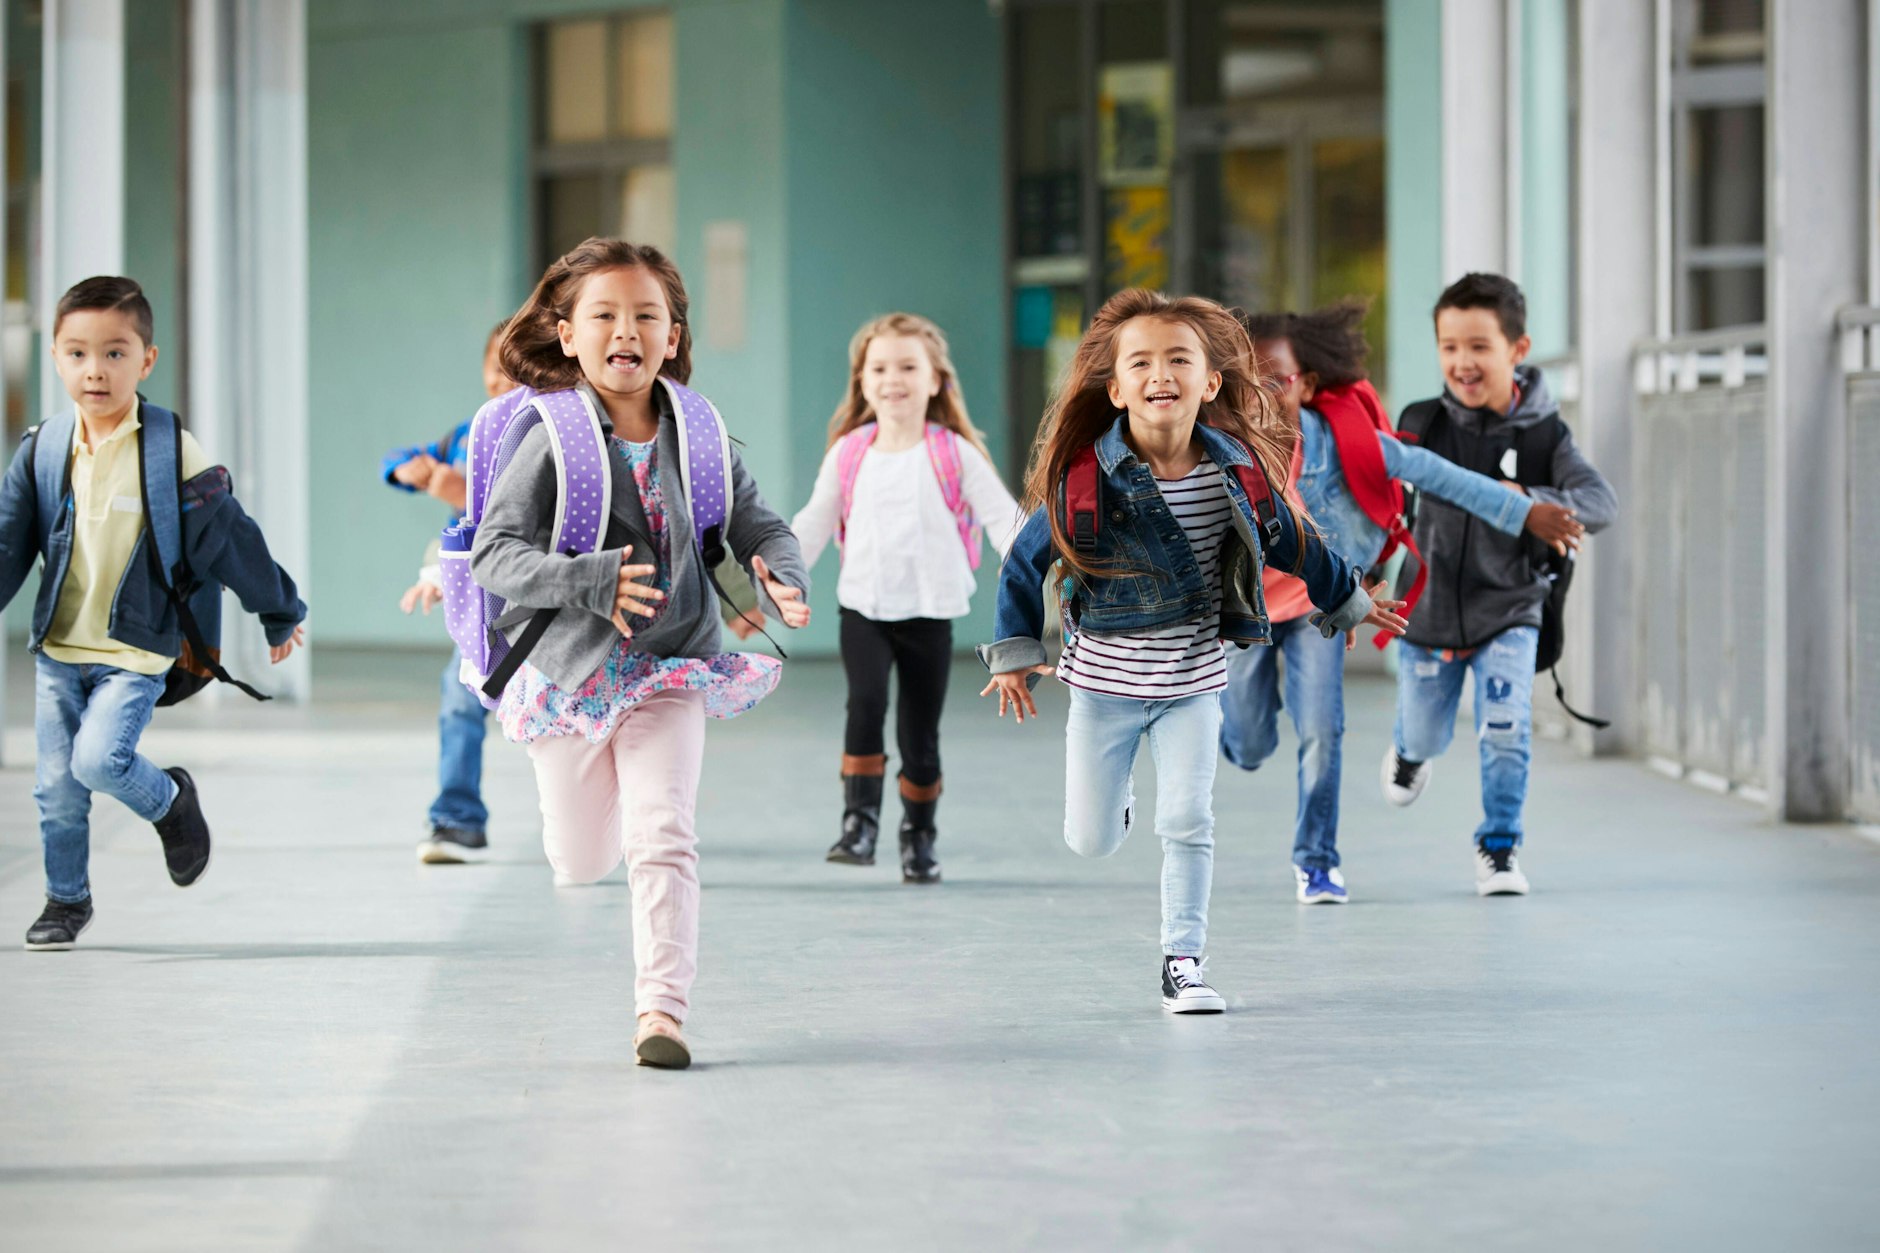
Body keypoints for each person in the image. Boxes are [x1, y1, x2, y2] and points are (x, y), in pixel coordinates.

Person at [979, 288, 1406, 1014]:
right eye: (1140, 361)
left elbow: (1298, 545)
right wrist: (1016, 652)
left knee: (1189, 820)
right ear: (1115, 388)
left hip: (1192, 682)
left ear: (1209, 382)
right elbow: (1024, 564)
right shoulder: (1085, 478)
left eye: (1179, 358)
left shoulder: (1235, 474)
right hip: (1104, 690)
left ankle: (1184, 960)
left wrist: (1351, 601)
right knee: (1090, 839)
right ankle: (1116, 803)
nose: (1160, 373)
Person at [471, 238, 810, 1068]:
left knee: (665, 834)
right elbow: (495, 553)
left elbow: (755, 520)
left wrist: (780, 569)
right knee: (581, 859)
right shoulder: (551, 436)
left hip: (672, 661)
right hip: (570, 671)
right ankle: (612, 807)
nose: (627, 329)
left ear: (672, 334)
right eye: (605, 315)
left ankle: (661, 1012)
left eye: (646, 315)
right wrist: (587, 580)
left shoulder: (698, 429)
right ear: (566, 333)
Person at [1221, 302, 1585, 904]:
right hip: (1244, 612)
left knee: (1322, 729)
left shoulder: (1346, 444)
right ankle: (1241, 734)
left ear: (1306, 385)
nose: (1257, 397)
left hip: (1322, 607)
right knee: (1250, 744)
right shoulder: (1213, 450)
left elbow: (1439, 474)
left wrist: (1526, 512)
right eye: (1241, 384)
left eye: (1275, 380)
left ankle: (1317, 860)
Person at [0, 276, 307, 950]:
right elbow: (6, 541)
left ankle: (170, 801)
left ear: (148, 359)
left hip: (135, 652)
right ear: (55, 357)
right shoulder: (44, 450)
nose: (95, 370)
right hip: (59, 649)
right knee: (56, 790)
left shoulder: (169, 452)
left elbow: (229, 536)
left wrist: (278, 610)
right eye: (78, 353)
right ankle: (66, 901)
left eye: (115, 352)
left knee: (99, 762)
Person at [1381, 273, 1616, 896]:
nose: (1463, 361)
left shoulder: (1544, 435)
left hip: (1511, 607)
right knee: (1426, 732)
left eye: (1480, 346)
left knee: (1507, 728)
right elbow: (1381, 501)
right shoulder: (1420, 422)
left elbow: (1599, 501)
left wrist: (1530, 499)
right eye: (1449, 346)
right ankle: (1409, 749)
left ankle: (1500, 848)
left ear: (1518, 349)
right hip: (1424, 613)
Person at [792, 313, 1021, 883]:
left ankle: (919, 836)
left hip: (929, 614)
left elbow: (1005, 523)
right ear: (862, 381)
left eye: (908, 367)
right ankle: (859, 823)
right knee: (864, 706)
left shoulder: (954, 453)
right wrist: (775, 575)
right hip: (863, 610)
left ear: (936, 379)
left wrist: (1056, 564)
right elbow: (812, 525)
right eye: (879, 368)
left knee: (920, 731)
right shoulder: (849, 452)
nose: (892, 378)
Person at [385, 322, 510, 863]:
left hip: (553, 605)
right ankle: (457, 819)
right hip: (484, 605)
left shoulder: (560, 431)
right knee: (460, 699)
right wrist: (406, 469)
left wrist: (465, 495)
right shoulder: (469, 434)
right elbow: (402, 456)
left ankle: (611, 824)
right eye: (495, 377)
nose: (504, 388)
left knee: (576, 717)